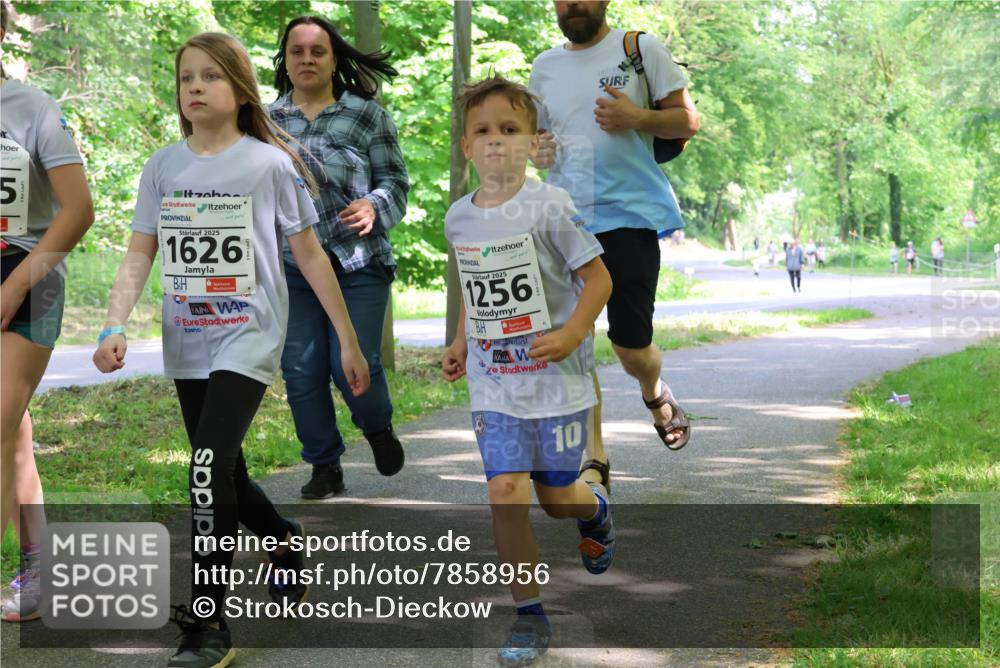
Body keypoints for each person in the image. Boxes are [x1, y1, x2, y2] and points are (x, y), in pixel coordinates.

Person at [92, 33, 370, 668]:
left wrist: (348, 342)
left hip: (248, 335)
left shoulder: (267, 165)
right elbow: (142, 249)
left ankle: (209, 622)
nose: (195, 87)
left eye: (211, 77)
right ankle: (283, 541)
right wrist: (113, 324)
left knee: (205, 471)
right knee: (226, 474)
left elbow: (309, 254)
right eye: (186, 77)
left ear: (240, 89)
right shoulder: (163, 165)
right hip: (187, 339)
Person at [441, 75, 615, 667]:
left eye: (509, 130)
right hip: (495, 383)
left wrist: (571, 333)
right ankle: (529, 616)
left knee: (556, 499)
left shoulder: (550, 205)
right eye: (482, 131)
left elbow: (598, 279)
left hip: (555, 382)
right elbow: (474, 283)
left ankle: (594, 509)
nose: (495, 142)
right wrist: (461, 340)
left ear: (533, 142)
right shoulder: (459, 218)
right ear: (466, 146)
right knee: (505, 491)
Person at [529, 0, 698, 493]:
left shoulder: (640, 49)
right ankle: (594, 458)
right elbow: (540, 142)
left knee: (629, 346)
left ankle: (653, 388)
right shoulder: (544, 66)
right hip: (566, 219)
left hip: (630, 216)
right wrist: (539, 150)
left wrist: (636, 116)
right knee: (574, 340)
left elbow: (686, 123)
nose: (573, 3)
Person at [269, 15, 409, 499]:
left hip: (357, 263)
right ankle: (325, 464)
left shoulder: (366, 114)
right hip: (292, 269)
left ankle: (376, 427)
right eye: (297, 51)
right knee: (302, 369)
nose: (307, 58)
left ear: (333, 59)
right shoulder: (264, 122)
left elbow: (397, 184)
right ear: (285, 61)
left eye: (318, 51)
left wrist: (375, 204)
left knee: (351, 363)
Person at [0, 0, 95, 623]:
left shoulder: (31, 107)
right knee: (10, 433)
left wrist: (12, 289)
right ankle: (40, 561)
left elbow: (77, 210)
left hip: (24, 269)